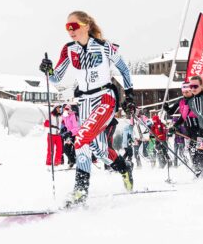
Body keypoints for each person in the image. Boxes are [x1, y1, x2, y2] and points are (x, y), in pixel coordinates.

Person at [39, 11, 135, 206]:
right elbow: (57, 78)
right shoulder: (69, 49)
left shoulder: (104, 47)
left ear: (86, 25)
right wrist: (47, 70)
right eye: (67, 27)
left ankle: (80, 191)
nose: (70, 31)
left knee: (81, 138)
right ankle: (124, 167)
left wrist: (130, 94)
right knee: (99, 152)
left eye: (73, 26)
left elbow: (124, 69)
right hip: (83, 101)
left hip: (104, 99)